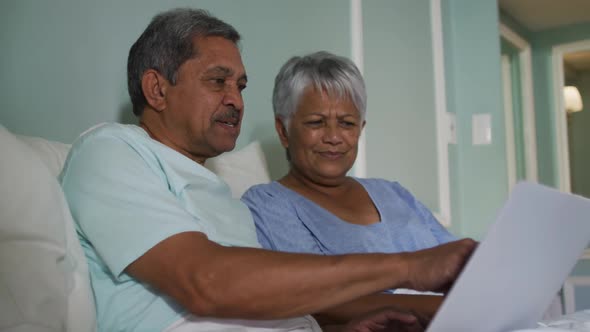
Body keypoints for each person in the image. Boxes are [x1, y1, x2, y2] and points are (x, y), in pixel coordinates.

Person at [59, 8, 476, 332]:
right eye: (217, 81)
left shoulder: (222, 194)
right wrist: (409, 268)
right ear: (157, 89)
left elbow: (263, 300)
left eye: (239, 86)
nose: (237, 100)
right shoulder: (111, 150)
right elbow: (206, 282)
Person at [241, 51, 455, 322]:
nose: (333, 137)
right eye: (316, 123)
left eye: (346, 123)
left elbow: (457, 264)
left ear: (360, 129)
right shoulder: (268, 203)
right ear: (283, 130)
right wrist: (449, 309)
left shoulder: (394, 193)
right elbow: (318, 298)